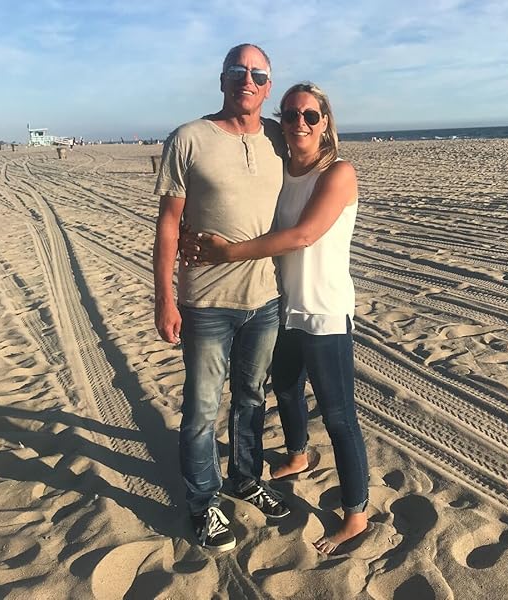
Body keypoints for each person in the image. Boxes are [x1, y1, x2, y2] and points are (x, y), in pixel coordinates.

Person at [183, 82, 369, 554]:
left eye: (309, 115)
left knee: (338, 416)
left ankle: (356, 513)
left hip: (325, 311)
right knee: (284, 390)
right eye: (289, 115)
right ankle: (298, 455)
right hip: (284, 306)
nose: (299, 123)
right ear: (280, 122)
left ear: (325, 122)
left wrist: (228, 253)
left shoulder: (339, 172)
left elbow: (304, 235)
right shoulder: (283, 171)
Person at [152, 43, 290, 553]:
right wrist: (164, 299)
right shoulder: (189, 138)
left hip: (265, 298)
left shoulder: (279, 137)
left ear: (268, 87)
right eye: (238, 70)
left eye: (258, 74)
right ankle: (203, 501)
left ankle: (245, 478)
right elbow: (168, 225)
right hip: (206, 303)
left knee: (251, 398)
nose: (247, 80)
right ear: (222, 79)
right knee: (202, 407)